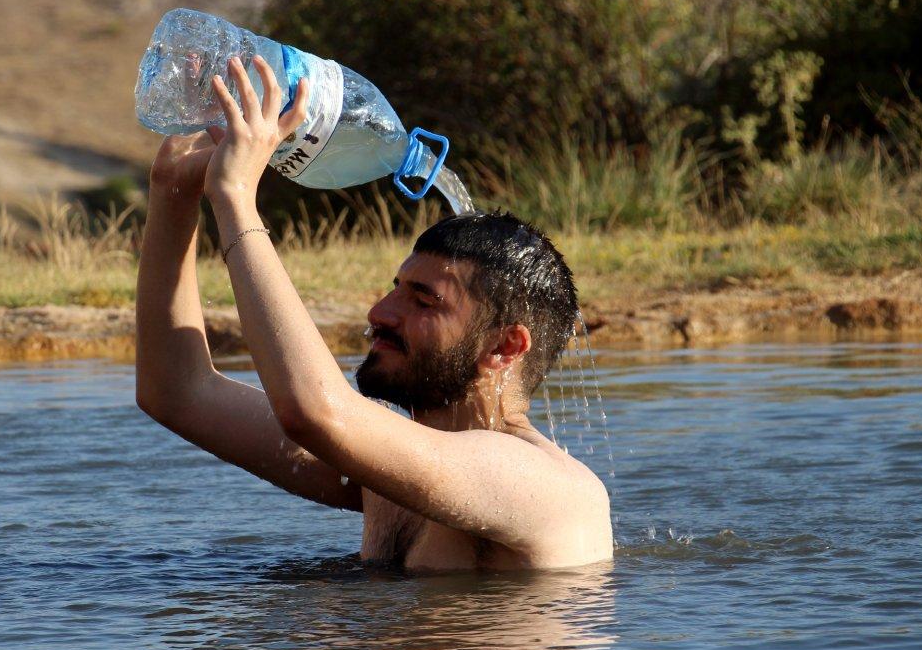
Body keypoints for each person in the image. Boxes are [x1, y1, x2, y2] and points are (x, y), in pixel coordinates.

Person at [135, 56, 612, 571]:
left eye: (423, 300)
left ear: (504, 347)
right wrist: (174, 193)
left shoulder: (539, 484)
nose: (380, 312)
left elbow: (314, 414)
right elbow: (177, 392)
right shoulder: (388, 477)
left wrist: (235, 198)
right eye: (395, 289)